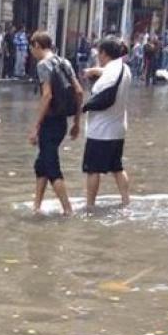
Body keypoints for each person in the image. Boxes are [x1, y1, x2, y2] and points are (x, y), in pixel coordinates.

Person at [28, 31, 84, 216]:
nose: (31, 51)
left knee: (51, 167)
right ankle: (37, 206)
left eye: (31, 47)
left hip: (50, 122)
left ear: (37, 45)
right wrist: (76, 122)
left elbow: (47, 95)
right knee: (41, 164)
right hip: (62, 123)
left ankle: (68, 210)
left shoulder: (43, 65)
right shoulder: (64, 62)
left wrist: (36, 126)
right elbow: (79, 92)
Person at [81, 38, 132, 210]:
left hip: (101, 131)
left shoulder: (110, 74)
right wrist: (95, 70)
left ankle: (90, 206)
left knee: (93, 170)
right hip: (118, 128)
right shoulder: (125, 68)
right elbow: (110, 74)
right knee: (117, 167)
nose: (97, 56)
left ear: (104, 53)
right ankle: (126, 201)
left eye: (98, 53)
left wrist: (84, 106)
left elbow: (101, 96)